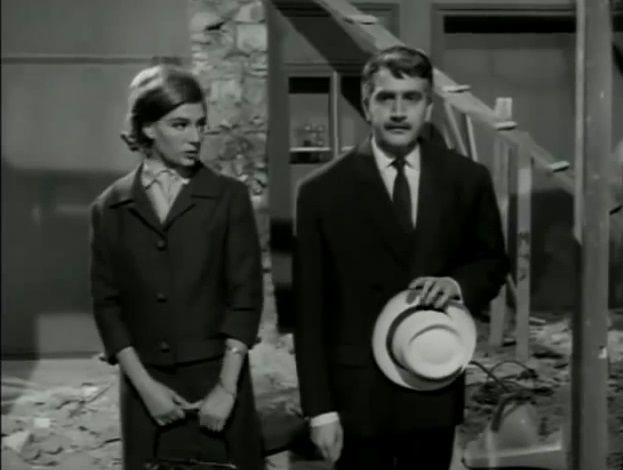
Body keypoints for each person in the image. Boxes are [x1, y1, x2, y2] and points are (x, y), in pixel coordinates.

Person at [293, 46, 510, 469]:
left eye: (411, 98)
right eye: (385, 98)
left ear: (428, 106)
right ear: (366, 105)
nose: (398, 112)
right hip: (357, 397)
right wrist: (320, 411)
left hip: (431, 381)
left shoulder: (467, 179)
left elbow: (492, 262)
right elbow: (309, 312)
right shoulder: (321, 191)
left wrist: (456, 285)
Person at [89, 64, 265, 470]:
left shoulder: (228, 198)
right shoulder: (110, 207)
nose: (195, 137)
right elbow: (107, 307)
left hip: (217, 386)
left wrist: (226, 389)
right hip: (147, 393)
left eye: (200, 125)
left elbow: (245, 298)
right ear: (148, 128)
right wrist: (146, 389)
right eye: (180, 125)